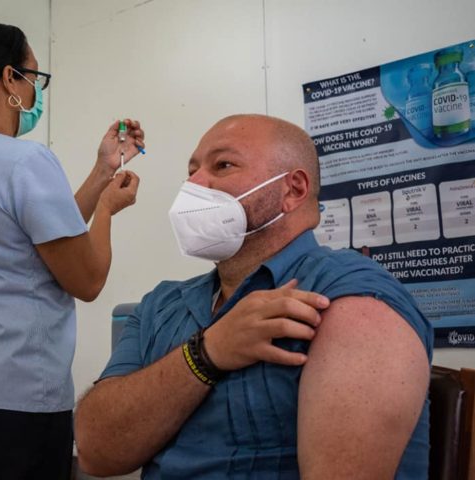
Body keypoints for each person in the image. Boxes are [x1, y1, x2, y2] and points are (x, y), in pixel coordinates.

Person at [75, 114, 432, 479]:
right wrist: (205, 354)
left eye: (223, 165)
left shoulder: (349, 295)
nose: (193, 185)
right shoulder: (161, 305)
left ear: (293, 190)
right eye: (192, 172)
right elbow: (96, 451)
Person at [0, 20, 144, 480]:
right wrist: (108, 209)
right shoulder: (26, 160)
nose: (36, 92)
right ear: (10, 78)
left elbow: (45, 236)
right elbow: (87, 279)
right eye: (35, 77)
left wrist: (102, 170)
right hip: (18, 398)